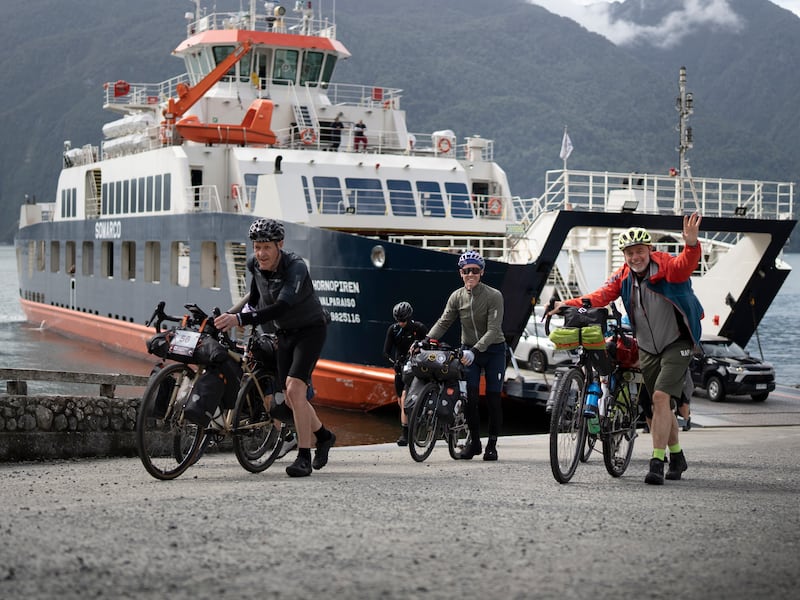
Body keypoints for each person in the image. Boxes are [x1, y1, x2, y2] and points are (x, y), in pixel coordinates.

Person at [548, 214, 703, 484]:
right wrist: (568, 304)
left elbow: (685, 266)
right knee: (660, 405)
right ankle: (677, 455)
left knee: (659, 397)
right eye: (630, 253)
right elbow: (599, 296)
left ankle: (657, 463)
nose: (635, 257)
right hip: (647, 347)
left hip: (677, 341)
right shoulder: (623, 276)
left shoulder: (665, 266)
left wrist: (691, 245)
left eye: (640, 251)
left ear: (649, 250)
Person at [214, 218, 335, 478]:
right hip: (284, 333)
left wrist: (240, 319)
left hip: (310, 330)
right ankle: (324, 436)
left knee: (295, 388)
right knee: (291, 398)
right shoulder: (254, 266)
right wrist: (229, 318)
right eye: (257, 247)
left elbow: (282, 306)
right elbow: (256, 300)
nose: (260, 253)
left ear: (280, 244)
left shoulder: (296, 268)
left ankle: (304, 456)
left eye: (266, 247)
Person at [426, 250, 506, 461]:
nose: (470, 274)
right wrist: (426, 340)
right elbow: (444, 321)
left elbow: (493, 329)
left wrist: (475, 350)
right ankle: (475, 444)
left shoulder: (494, 296)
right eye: (466, 271)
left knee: (493, 398)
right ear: (460, 273)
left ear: (482, 272)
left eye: (475, 271)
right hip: (468, 350)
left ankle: (492, 444)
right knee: (470, 400)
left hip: (493, 351)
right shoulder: (457, 296)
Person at [383, 301, 427, 446]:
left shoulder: (418, 328)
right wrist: (394, 362)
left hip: (415, 366)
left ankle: (406, 434)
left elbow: (427, 345)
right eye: (398, 320)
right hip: (400, 367)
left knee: (406, 396)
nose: (401, 323)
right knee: (401, 401)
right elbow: (386, 351)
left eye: (403, 320)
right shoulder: (393, 330)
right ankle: (406, 431)